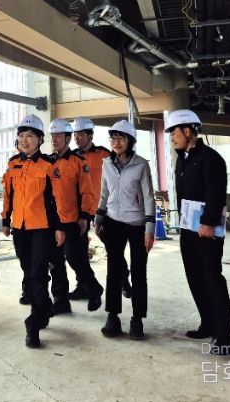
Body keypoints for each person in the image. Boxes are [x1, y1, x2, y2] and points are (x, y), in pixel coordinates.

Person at [167, 109, 230, 355]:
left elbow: (215, 194)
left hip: (207, 230)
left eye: (174, 132)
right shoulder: (182, 160)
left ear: (188, 131)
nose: (172, 137)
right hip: (188, 229)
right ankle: (208, 324)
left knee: (212, 278)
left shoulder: (210, 159)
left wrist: (208, 222)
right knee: (194, 277)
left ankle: (224, 335)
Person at [2, 114, 66, 348]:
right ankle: (45, 307)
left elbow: (58, 199)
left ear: (40, 139)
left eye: (30, 136)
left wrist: (60, 227)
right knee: (29, 273)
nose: (24, 140)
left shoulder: (49, 166)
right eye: (21, 136)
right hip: (19, 228)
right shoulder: (13, 164)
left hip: (42, 228)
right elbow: (8, 194)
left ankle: (34, 324)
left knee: (37, 275)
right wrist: (5, 219)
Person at [95, 120, 155, 340]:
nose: (116, 142)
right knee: (114, 271)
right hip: (113, 222)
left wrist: (150, 229)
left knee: (139, 273)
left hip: (137, 224)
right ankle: (112, 317)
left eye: (121, 138)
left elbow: (148, 197)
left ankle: (137, 319)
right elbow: (104, 193)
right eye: (113, 138)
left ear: (130, 141)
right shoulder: (106, 164)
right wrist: (98, 217)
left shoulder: (141, 165)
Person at [69, 117, 132, 300]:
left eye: (81, 134)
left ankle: (124, 281)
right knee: (78, 251)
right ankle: (83, 286)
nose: (77, 138)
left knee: (113, 248)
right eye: (75, 134)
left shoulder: (104, 155)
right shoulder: (72, 157)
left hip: (103, 210)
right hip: (80, 211)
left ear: (90, 135)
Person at [47, 118, 104, 314]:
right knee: (55, 261)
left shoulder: (78, 162)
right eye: (52, 136)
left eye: (58, 136)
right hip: (54, 220)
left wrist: (85, 216)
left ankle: (93, 288)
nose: (54, 140)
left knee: (75, 257)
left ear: (67, 138)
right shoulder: (49, 162)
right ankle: (60, 300)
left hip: (73, 219)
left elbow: (87, 191)